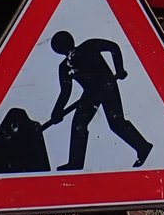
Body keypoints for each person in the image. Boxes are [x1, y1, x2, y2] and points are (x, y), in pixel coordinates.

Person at [46, 30, 152, 171]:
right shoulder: (64, 67)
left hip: (106, 85)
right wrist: (57, 112)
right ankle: (75, 163)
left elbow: (113, 47)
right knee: (79, 124)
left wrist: (119, 69)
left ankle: (143, 147)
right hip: (90, 93)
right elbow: (65, 91)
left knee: (116, 122)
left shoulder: (89, 46)